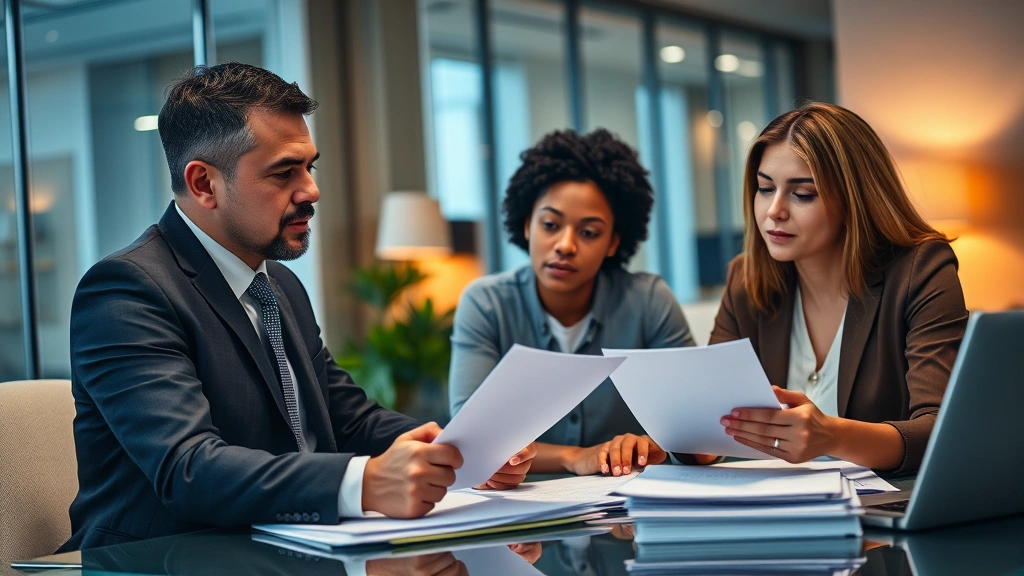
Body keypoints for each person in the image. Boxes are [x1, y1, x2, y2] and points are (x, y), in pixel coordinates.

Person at [60, 62, 533, 551]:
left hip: (290, 549)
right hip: (161, 558)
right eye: (284, 172)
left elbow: (349, 419)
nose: (311, 190)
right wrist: (364, 483)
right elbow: (188, 470)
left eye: (309, 166)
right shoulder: (127, 290)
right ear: (204, 184)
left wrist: (465, 451)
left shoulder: (279, 286)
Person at [711, 102, 968, 473]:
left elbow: (942, 430)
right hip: (771, 511)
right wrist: (673, 441)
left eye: (803, 194)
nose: (774, 211)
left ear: (854, 200)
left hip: (883, 518)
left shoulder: (921, 270)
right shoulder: (744, 278)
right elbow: (710, 420)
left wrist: (830, 436)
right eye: (765, 189)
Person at [448, 129, 696, 481]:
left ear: (613, 242)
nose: (565, 245)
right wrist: (575, 457)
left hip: (624, 510)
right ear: (526, 226)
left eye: (589, 232)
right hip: (522, 514)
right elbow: (469, 434)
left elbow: (692, 422)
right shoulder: (487, 305)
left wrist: (650, 445)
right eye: (550, 224)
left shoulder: (648, 301)